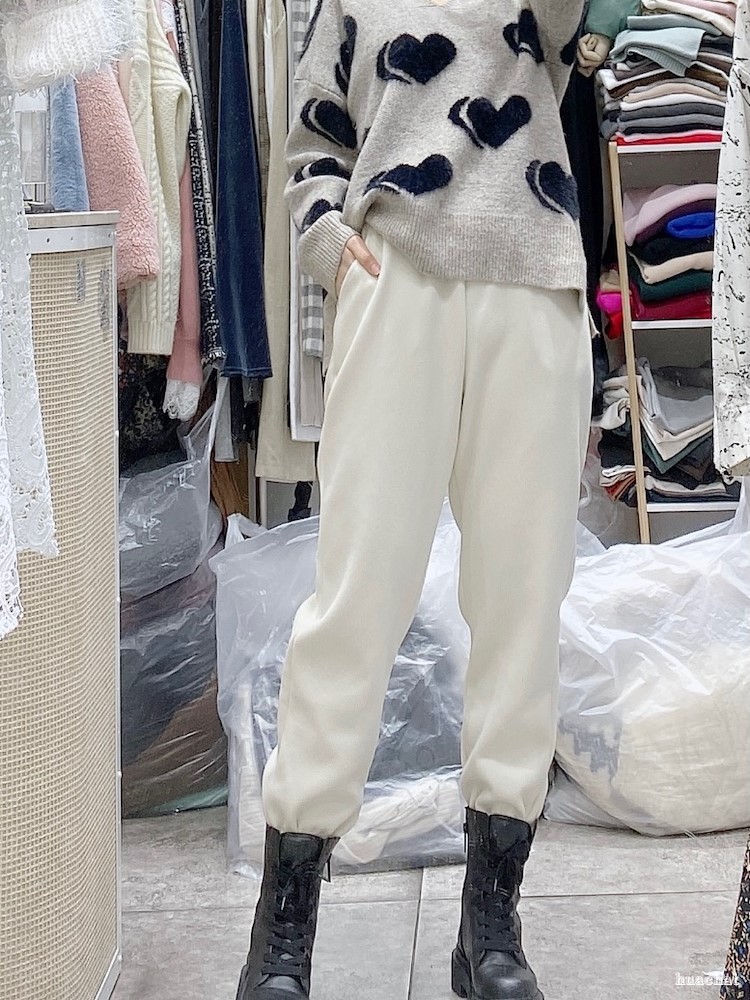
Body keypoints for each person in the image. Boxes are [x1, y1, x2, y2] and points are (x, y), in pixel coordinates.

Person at [237, 3, 592, 999]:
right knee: (357, 596)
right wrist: (326, 242)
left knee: (522, 607)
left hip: (534, 276)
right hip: (397, 277)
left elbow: (576, 29)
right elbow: (312, 132)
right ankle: (284, 925)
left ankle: (491, 926)